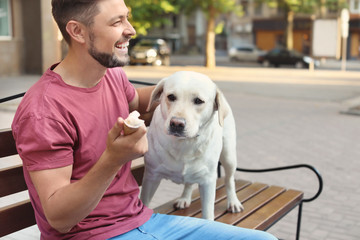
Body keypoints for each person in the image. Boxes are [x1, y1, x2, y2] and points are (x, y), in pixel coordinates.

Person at [12, 0, 277, 239]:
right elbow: (59, 219)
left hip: (141, 220)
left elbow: (140, 101)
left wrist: (193, 92)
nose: (131, 30)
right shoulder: (44, 111)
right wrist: (114, 159)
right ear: (77, 31)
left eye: (126, 18)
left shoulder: (110, 75)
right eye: (117, 22)